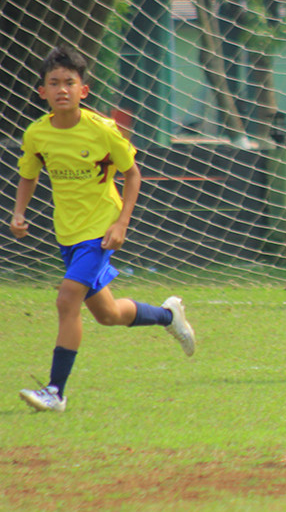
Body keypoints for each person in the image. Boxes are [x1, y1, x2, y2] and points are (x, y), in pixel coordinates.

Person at [10, 46, 195, 413]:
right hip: (69, 233)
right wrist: (18, 213)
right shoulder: (37, 134)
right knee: (108, 314)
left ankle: (55, 392)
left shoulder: (102, 130)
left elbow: (132, 173)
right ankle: (168, 315)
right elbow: (28, 175)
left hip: (100, 230)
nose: (62, 89)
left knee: (67, 299)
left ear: (84, 91)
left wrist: (121, 222)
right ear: (42, 92)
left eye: (70, 82)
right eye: (54, 83)